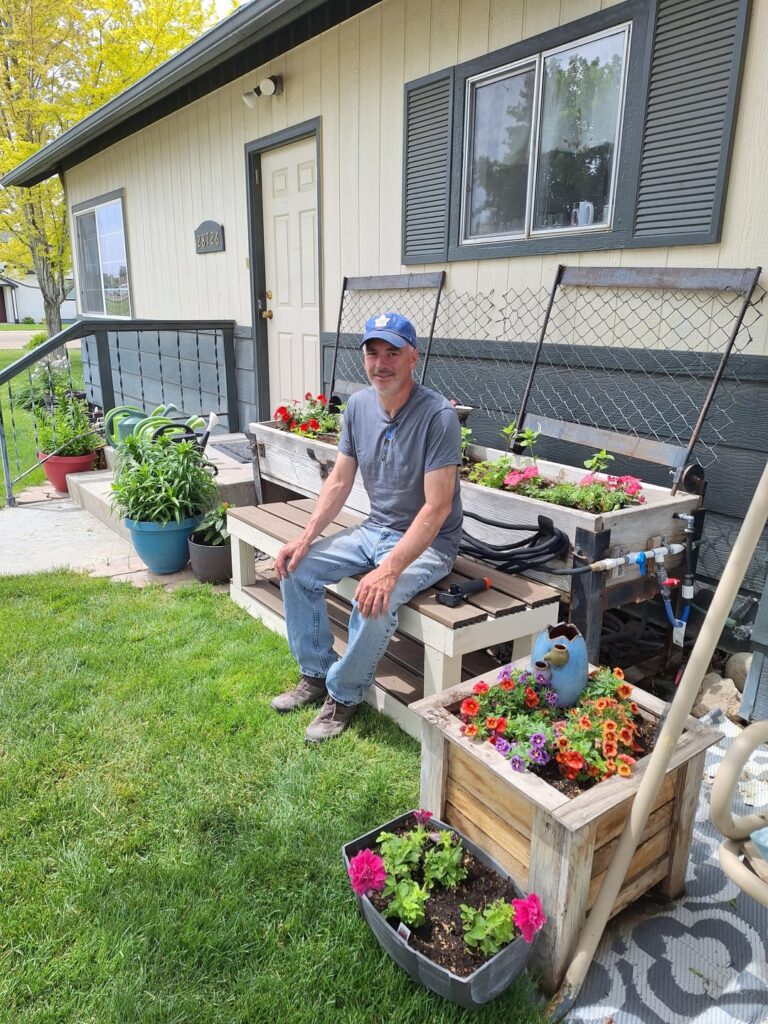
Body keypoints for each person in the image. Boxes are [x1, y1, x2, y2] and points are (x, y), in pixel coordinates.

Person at [271, 312, 463, 744]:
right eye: (372, 353)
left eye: (392, 353)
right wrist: (304, 539)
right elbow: (339, 481)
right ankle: (315, 674)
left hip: (429, 543)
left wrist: (391, 567)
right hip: (375, 527)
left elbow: (437, 508)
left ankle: (343, 695)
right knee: (297, 569)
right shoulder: (357, 406)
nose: (381, 363)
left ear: (414, 357)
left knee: (374, 598)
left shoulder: (438, 417)